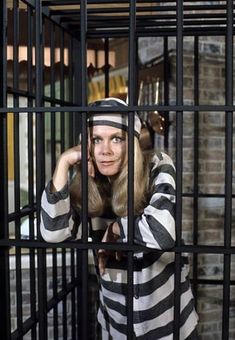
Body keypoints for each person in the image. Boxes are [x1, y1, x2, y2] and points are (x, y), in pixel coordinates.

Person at [40, 97, 198, 339]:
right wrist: (64, 162)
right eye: (96, 140)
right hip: (116, 327)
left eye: (117, 139)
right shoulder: (90, 186)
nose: (106, 151)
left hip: (171, 327)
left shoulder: (157, 166)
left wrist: (115, 229)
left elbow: (162, 234)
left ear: (132, 143)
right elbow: (53, 232)